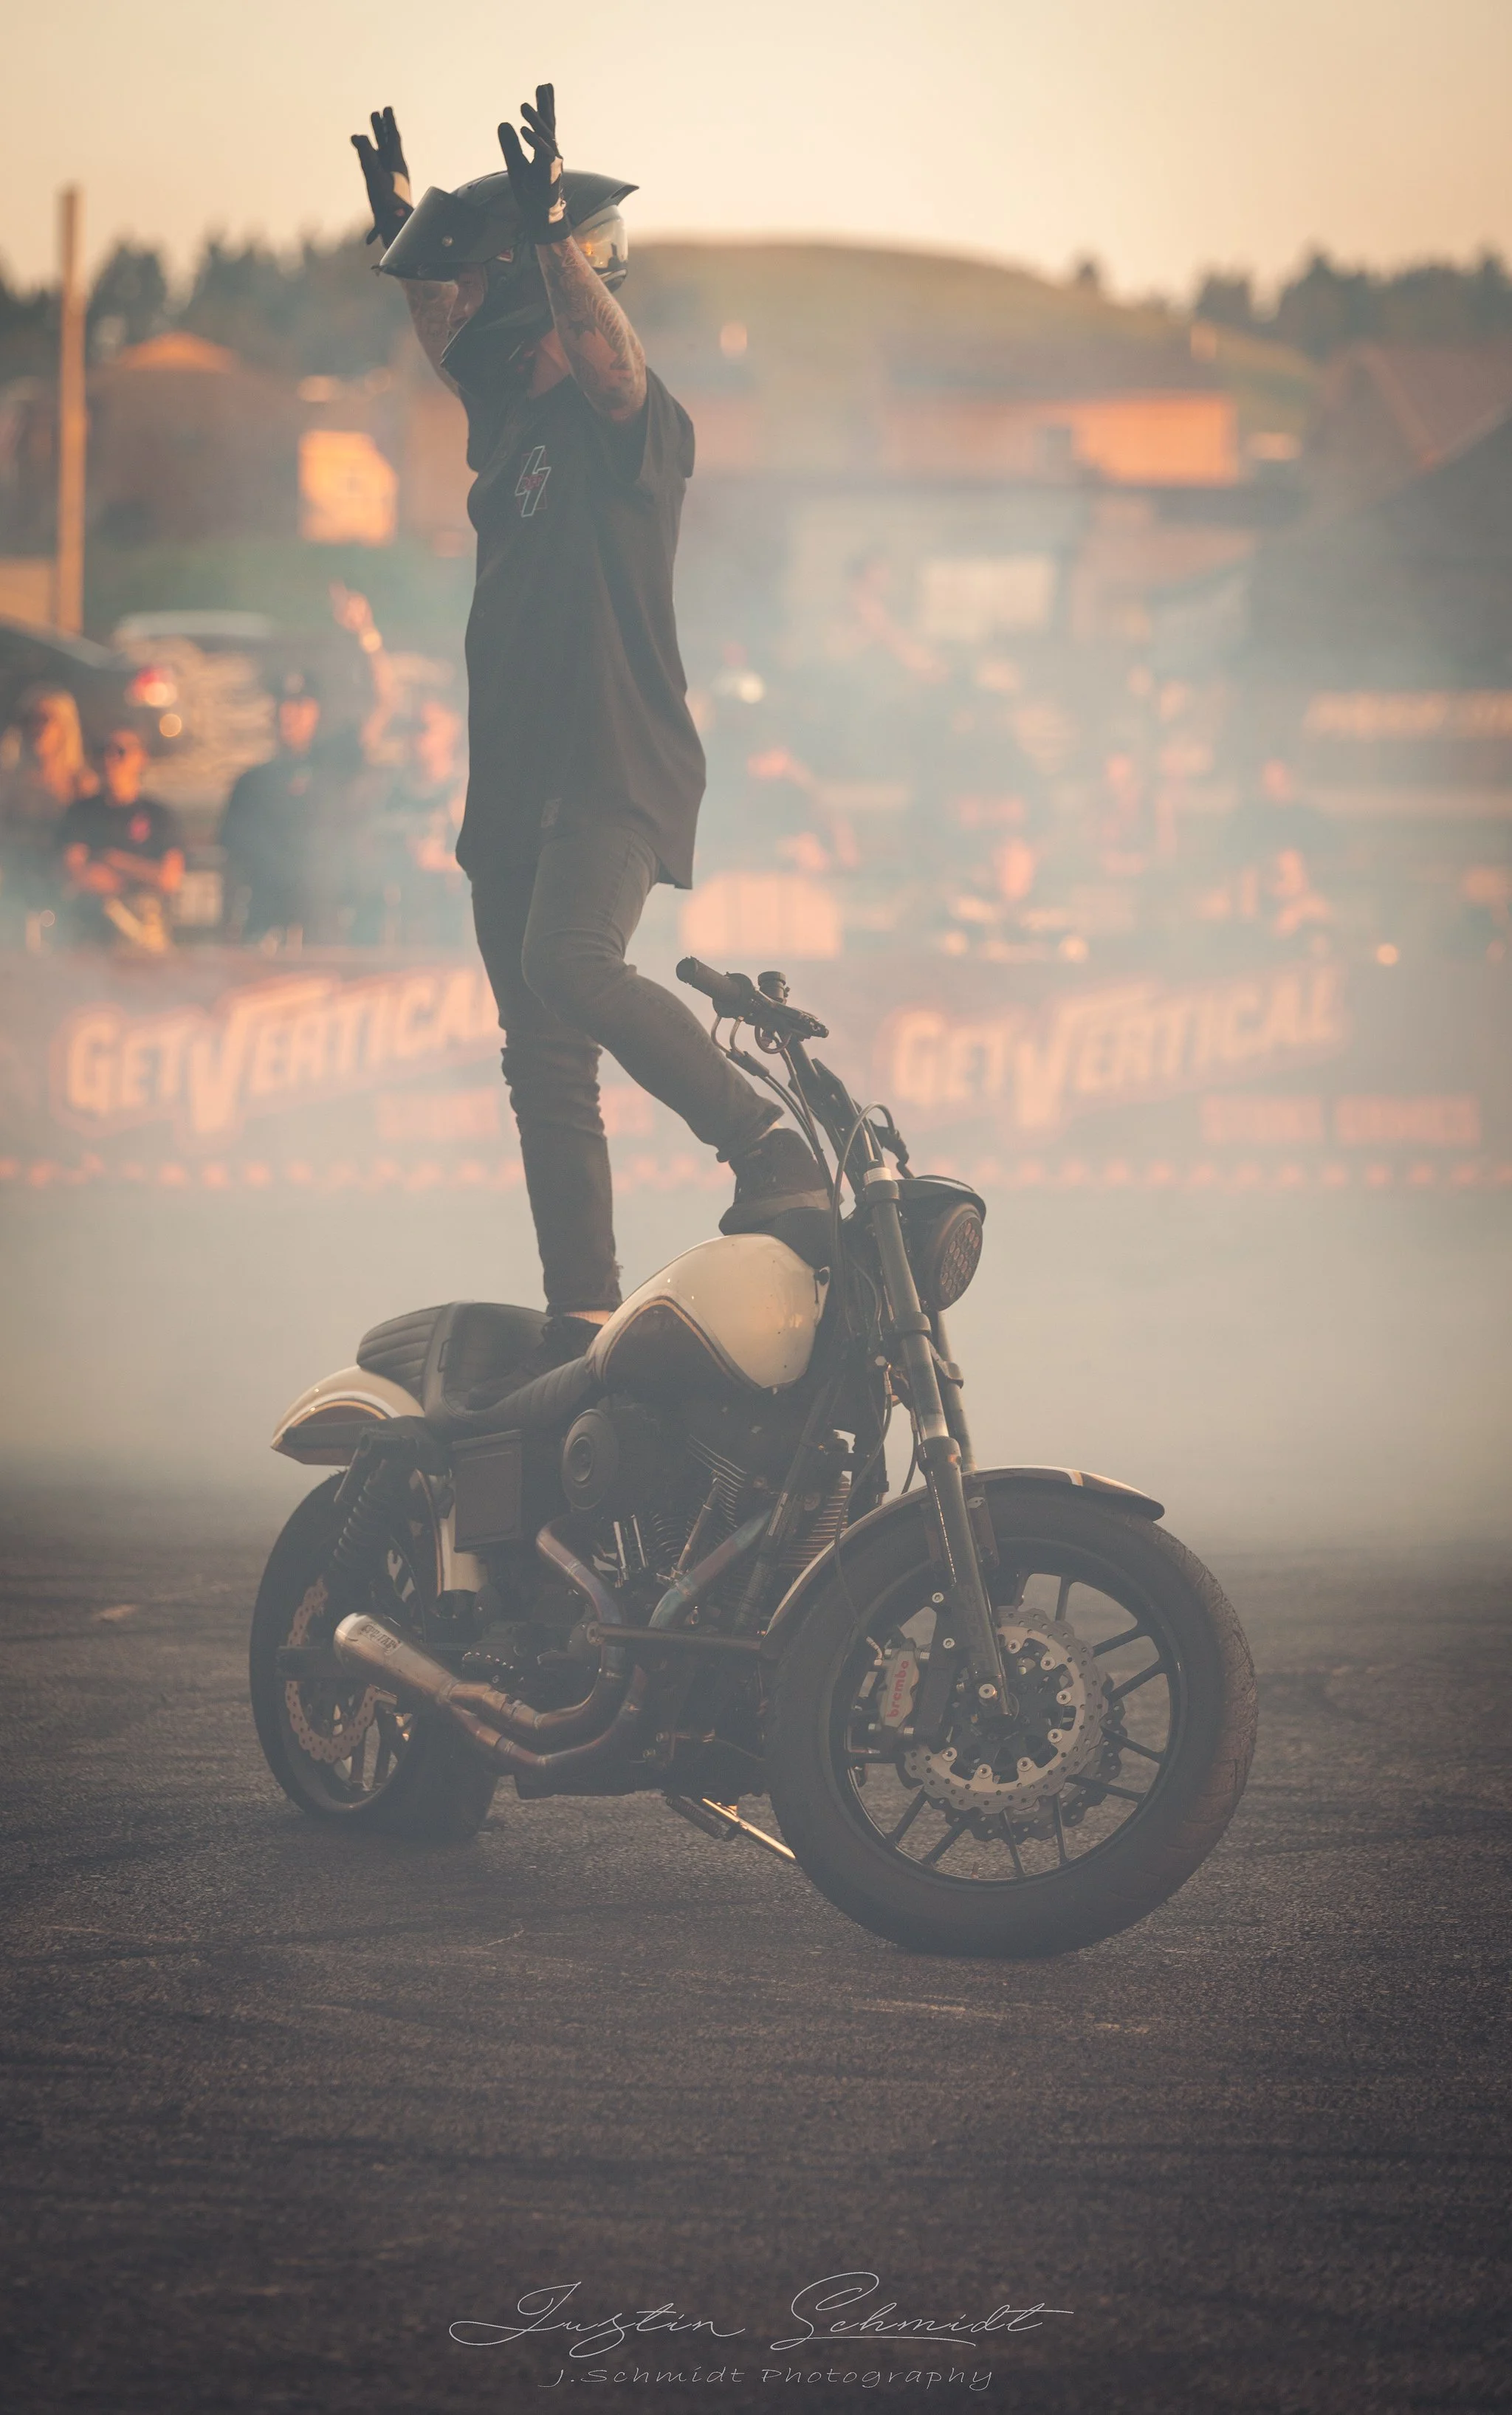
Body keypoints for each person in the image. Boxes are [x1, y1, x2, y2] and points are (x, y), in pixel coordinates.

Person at [352, 88, 824, 1352]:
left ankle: (767, 1146)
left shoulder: (632, 417)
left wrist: (549, 232)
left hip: (615, 763)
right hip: (510, 786)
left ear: (556, 291)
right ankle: (582, 1318)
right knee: (540, 1060)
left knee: (572, 963)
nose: (487, 328)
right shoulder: (510, 417)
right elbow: (447, 335)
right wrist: (407, 234)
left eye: (507, 297)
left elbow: (604, 347)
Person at [219, 669, 369, 943]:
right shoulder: (250, 784)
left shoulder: (335, 771)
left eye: (300, 705)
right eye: (282, 704)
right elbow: (233, 863)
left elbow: (382, 705)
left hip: (323, 922)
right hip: (264, 922)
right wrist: (228, 927)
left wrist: (366, 637)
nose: (288, 714)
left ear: (317, 712)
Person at [59, 723, 185, 949]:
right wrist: (141, 874)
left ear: (141, 758)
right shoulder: (81, 813)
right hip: (93, 932)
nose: (110, 759)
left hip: (145, 933)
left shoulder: (159, 815)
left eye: (120, 751)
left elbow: (168, 878)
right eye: (103, 751)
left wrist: (112, 860)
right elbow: (74, 872)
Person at [0, 685, 97, 944]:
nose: (37, 728)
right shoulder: (9, 782)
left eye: (46, 719)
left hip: (65, 892)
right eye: (30, 720)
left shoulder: (81, 785)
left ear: (64, 727)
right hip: (17, 888)